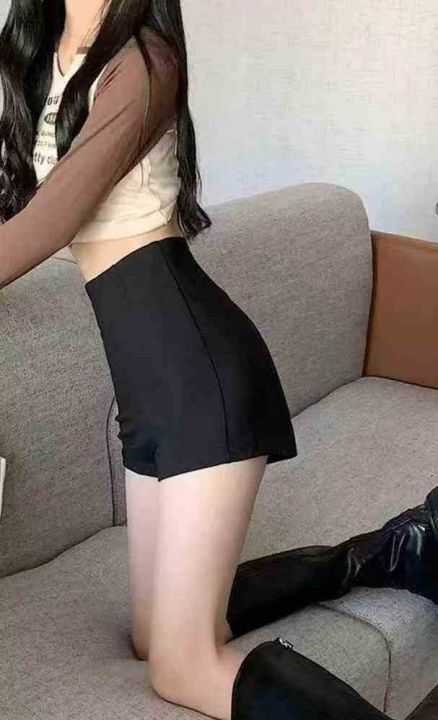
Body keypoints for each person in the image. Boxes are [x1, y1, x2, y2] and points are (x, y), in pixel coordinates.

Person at [0, 1, 435, 718]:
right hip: (146, 399)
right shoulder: (35, 52)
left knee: (181, 667)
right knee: (152, 637)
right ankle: (392, 553)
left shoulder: (143, 58)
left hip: (202, 381)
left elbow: (52, 218)